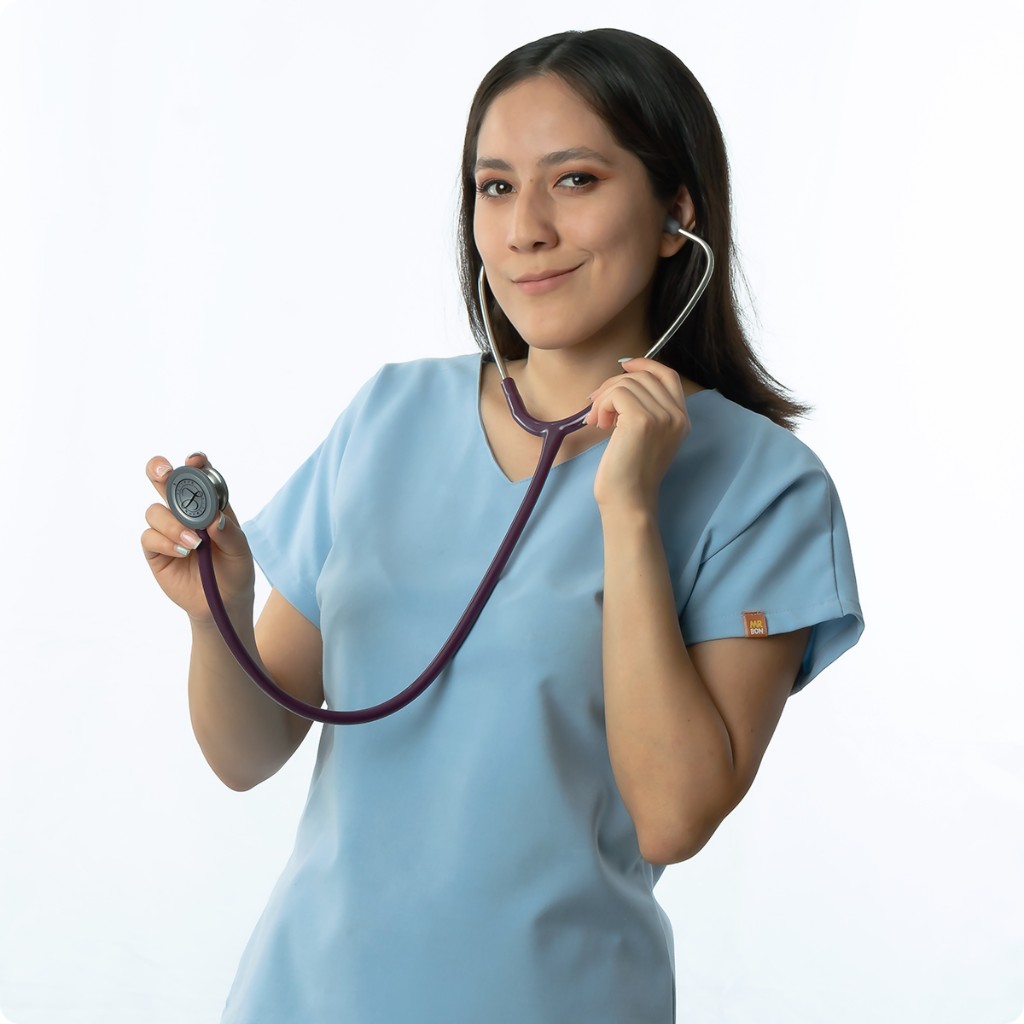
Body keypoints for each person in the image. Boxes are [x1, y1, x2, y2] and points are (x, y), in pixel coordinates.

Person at [141, 27, 863, 1023]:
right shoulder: (388, 417)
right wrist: (214, 612)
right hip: (304, 997)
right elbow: (248, 752)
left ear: (676, 213)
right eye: (494, 187)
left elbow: (672, 817)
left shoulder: (762, 487)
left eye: (574, 181)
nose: (524, 228)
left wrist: (629, 509)